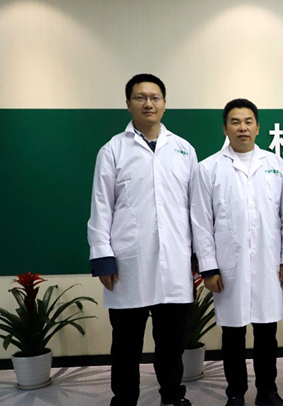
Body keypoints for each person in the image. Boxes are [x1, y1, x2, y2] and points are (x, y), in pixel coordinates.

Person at [87, 74, 196, 406]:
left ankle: (172, 396)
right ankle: (124, 399)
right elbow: (101, 205)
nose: (149, 104)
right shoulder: (113, 150)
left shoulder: (183, 149)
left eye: (155, 97)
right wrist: (102, 257)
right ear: (128, 103)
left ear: (164, 103)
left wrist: (198, 257)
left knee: (171, 342)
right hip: (127, 264)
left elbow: (196, 209)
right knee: (126, 343)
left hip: (174, 263)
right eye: (140, 97)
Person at [190, 99, 283, 406]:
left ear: (258, 127)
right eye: (235, 122)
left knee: (267, 333)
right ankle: (235, 392)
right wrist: (209, 268)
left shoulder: (276, 165)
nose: (242, 128)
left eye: (248, 121)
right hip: (228, 266)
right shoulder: (208, 168)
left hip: (267, 263)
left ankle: (267, 391)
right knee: (233, 334)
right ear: (225, 128)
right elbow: (201, 222)